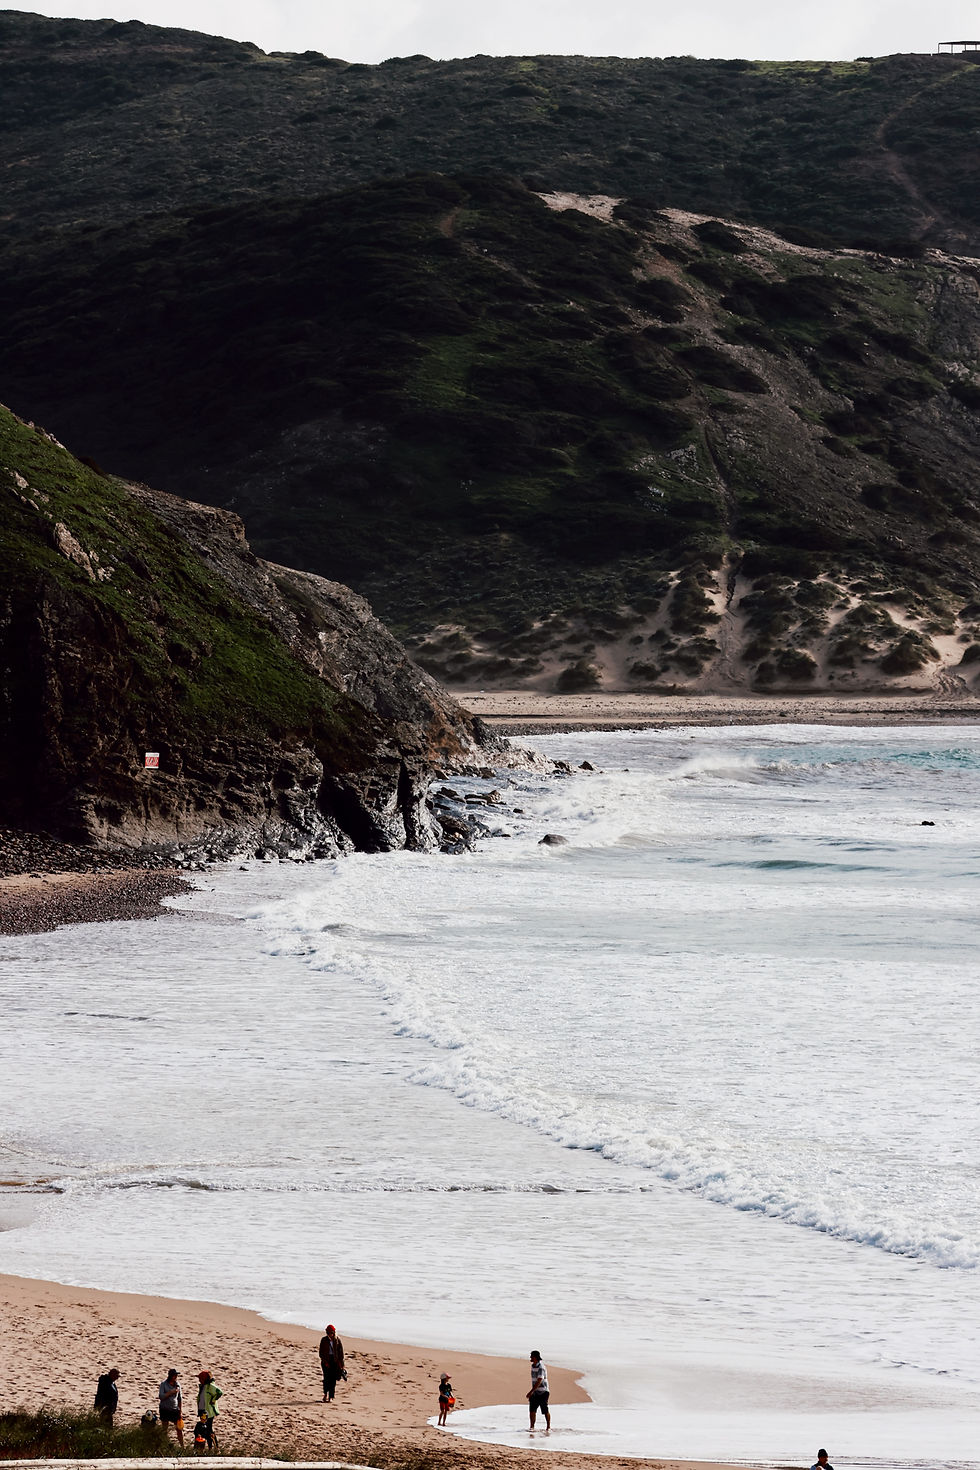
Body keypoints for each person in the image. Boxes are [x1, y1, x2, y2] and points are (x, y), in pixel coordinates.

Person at [318, 1324, 345, 1403]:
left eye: (332, 1333)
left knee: (333, 1380)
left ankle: (331, 1396)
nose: (330, 1335)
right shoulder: (324, 1340)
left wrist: (342, 1365)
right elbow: (321, 1353)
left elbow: (341, 1354)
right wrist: (324, 1361)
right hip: (326, 1362)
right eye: (329, 1333)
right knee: (326, 1379)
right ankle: (325, 1394)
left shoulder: (337, 1340)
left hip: (335, 1362)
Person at [159, 1368, 184, 1447]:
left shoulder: (178, 1385)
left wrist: (180, 1411)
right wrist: (170, 1392)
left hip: (174, 1409)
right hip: (165, 1409)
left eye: (176, 1375)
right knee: (164, 1429)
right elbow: (161, 1396)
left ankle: (182, 1446)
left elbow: (180, 1399)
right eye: (174, 1375)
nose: (176, 1377)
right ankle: (163, 1445)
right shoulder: (163, 1384)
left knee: (179, 1429)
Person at [197, 1370, 222, 1449]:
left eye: (201, 1378)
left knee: (208, 1430)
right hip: (203, 1411)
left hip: (209, 1412)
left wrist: (213, 1400)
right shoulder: (203, 1386)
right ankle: (210, 1447)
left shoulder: (210, 1386)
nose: (199, 1380)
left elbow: (219, 1392)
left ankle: (214, 1447)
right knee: (206, 1430)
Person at [527, 1349, 550, 1432]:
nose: (530, 1357)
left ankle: (548, 1427)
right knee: (532, 1410)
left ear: (535, 1357)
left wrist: (531, 1391)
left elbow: (539, 1380)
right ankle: (531, 1427)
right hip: (535, 1392)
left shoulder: (541, 1367)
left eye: (531, 1356)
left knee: (544, 1409)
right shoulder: (533, 1366)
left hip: (543, 1391)